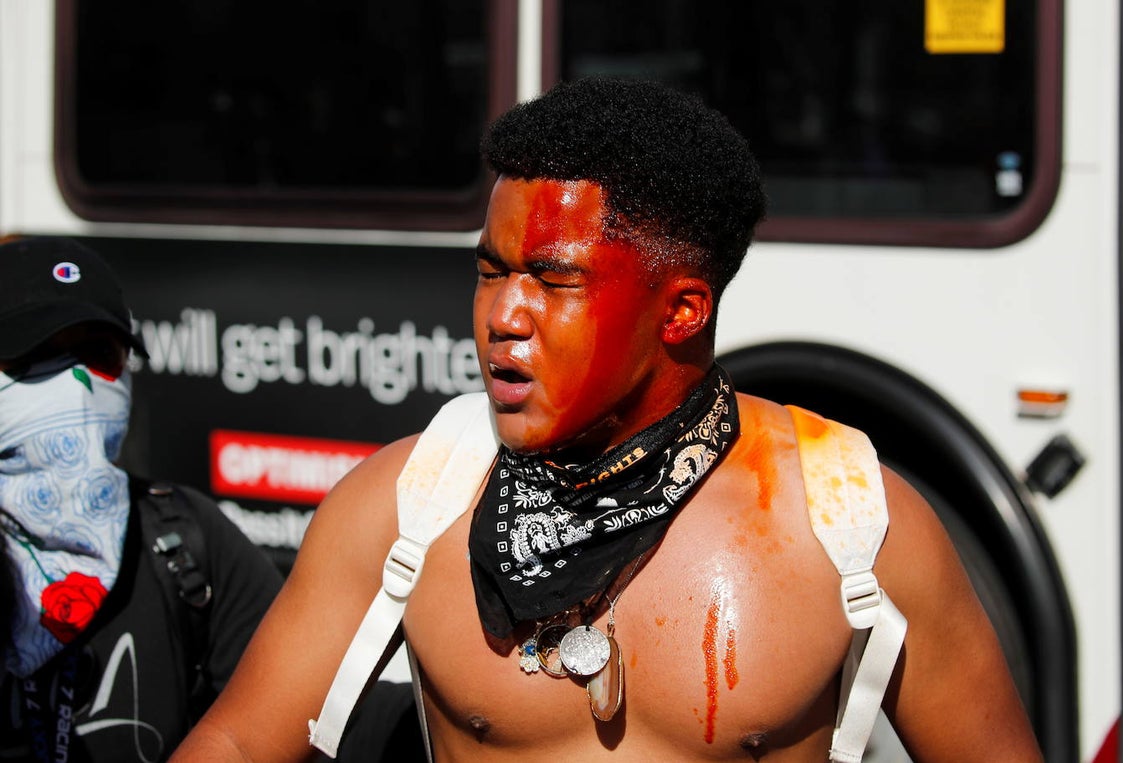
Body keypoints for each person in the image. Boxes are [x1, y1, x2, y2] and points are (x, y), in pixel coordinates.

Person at [172, 77, 1042, 761]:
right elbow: (243, 739)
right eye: (490, 270)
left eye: (554, 280)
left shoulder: (854, 528)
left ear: (682, 311)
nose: (503, 315)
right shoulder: (406, 507)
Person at [0, 236, 286, 761]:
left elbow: (295, 709)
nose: (78, 382)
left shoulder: (185, 537)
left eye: (100, 355)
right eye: (37, 354)